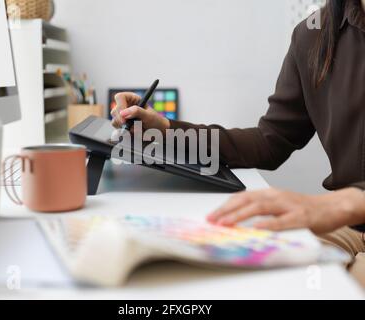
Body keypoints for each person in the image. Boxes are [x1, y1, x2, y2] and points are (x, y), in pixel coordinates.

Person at [111, 0, 365, 286]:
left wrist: (343, 204)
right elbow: (270, 141)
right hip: (349, 225)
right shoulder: (314, 35)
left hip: (346, 213)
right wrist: (166, 129)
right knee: (253, 271)